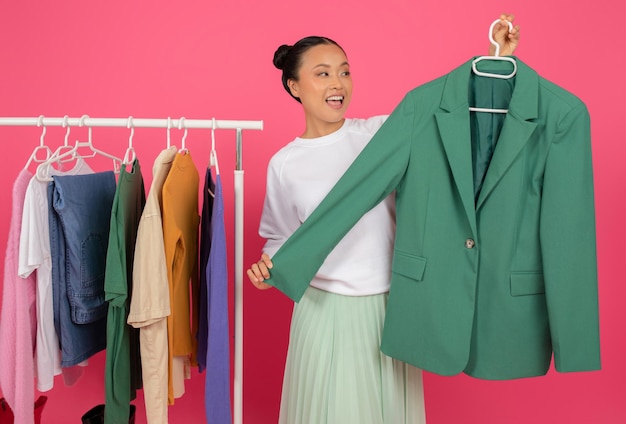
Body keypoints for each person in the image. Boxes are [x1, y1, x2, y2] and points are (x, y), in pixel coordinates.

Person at [247, 15, 520, 424]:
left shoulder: (381, 134)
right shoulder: (283, 164)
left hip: (391, 308)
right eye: (322, 74)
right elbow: (280, 238)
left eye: (344, 72)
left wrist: (497, 57)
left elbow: (453, 117)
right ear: (294, 86)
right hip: (323, 314)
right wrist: (267, 269)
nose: (337, 83)